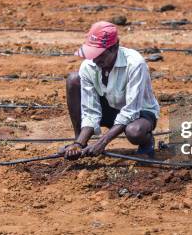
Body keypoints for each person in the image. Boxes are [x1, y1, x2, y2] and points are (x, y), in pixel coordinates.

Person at [62, 21, 160, 160]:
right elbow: (90, 111)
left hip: (139, 113)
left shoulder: (135, 63)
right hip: (110, 108)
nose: (95, 59)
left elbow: (131, 110)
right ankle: (79, 140)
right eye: (92, 54)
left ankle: (147, 142)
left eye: (100, 54)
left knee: (135, 132)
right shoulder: (89, 65)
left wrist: (102, 142)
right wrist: (79, 144)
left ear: (114, 48)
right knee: (73, 79)